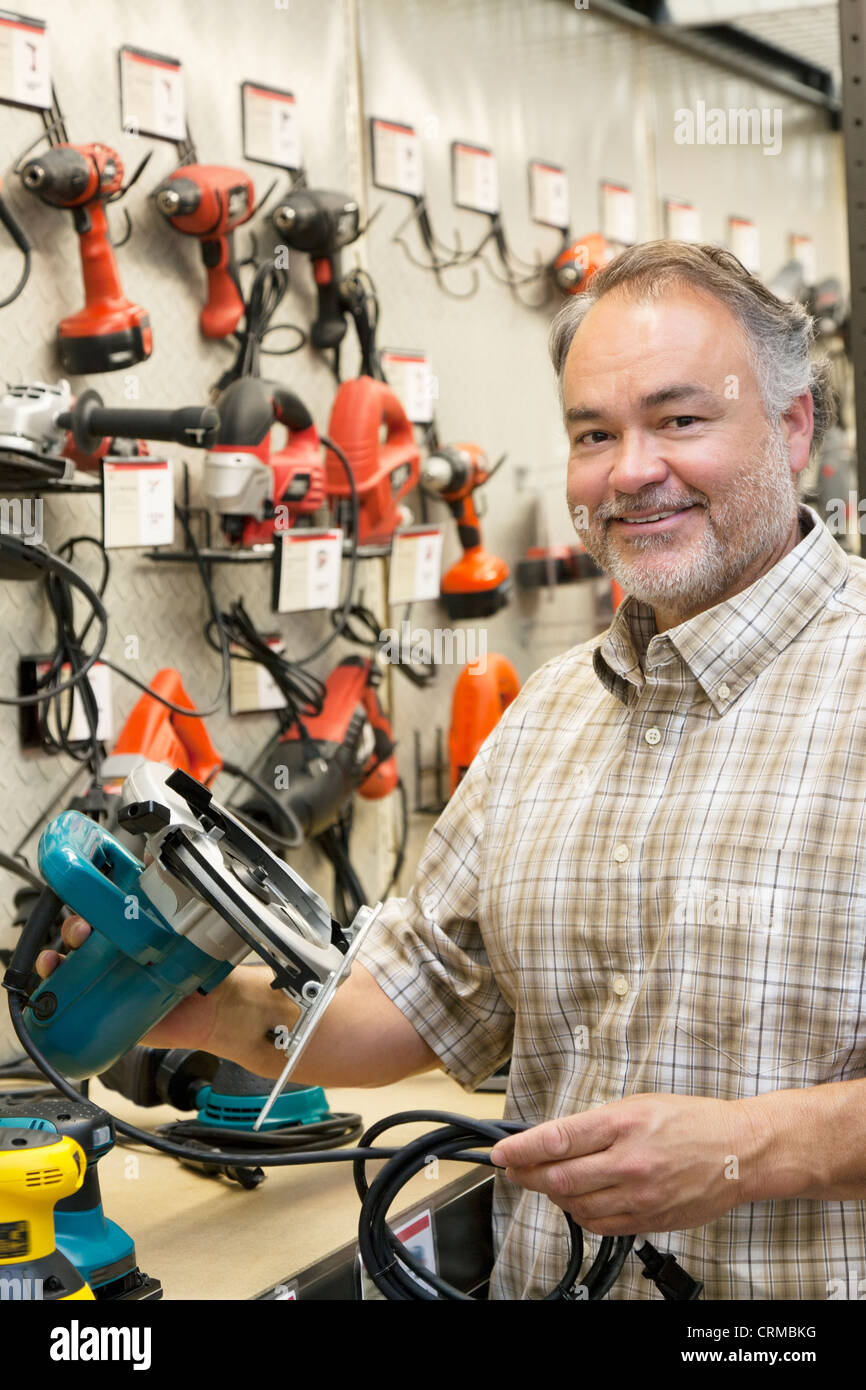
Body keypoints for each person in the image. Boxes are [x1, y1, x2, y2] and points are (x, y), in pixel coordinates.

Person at [38, 241, 866, 1300]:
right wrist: (187, 1001)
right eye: (593, 434)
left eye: (678, 420)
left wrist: (755, 1149)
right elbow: (413, 998)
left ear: (791, 426)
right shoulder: (552, 712)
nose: (629, 471)